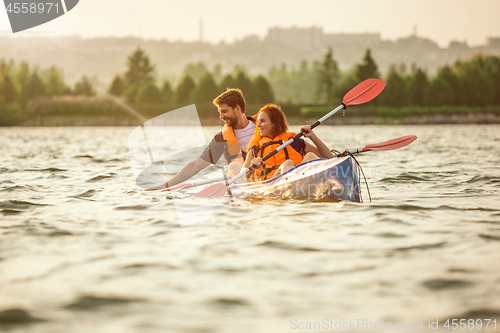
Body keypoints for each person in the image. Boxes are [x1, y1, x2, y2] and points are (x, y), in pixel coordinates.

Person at [147, 88, 256, 190]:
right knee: (235, 166)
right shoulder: (221, 139)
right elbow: (196, 165)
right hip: (242, 183)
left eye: (224, 111)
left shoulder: (263, 127)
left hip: (267, 177)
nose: (221, 117)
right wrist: (164, 186)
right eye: (220, 112)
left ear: (237, 108)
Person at [230, 104, 334, 182]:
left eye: (262, 121)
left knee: (311, 156)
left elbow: (330, 158)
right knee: (288, 163)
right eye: (258, 122)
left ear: (274, 123)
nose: (258, 125)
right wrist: (252, 167)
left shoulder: (293, 142)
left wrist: (313, 136)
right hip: (270, 184)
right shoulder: (256, 146)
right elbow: (243, 175)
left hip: (298, 181)